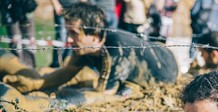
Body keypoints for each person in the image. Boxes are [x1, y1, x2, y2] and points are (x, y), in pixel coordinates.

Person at [3, 2, 179, 98]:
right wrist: (36, 83)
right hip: (151, 56)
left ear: (94, 35)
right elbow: (66, 72)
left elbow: (103, 95)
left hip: (167, 69)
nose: (68, 39)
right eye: (68, 32)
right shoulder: (83, 47)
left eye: (73, 33)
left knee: (123, 92)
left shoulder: (115, 49)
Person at [0, 0, 38, 67]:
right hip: (9, 10)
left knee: (29, 42)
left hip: (27, 8)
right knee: (16, 42)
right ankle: (18, 67)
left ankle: (30, 68)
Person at [49, 0, 78, 68]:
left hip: (76, 7)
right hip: (62, 7)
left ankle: (67, 64)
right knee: (61, 37)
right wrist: (55, 3)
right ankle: (57, 65)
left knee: (72, 38)